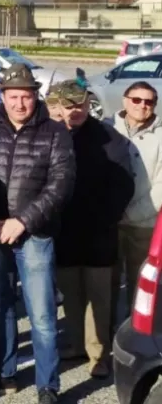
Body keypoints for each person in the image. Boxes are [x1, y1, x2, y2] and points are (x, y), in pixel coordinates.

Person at [0, 64, 75, 403]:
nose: (19, 104)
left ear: (35, 96)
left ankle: (48, 384)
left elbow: (61, 185)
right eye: (13, 97)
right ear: (3, 96)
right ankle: (5, 373)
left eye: (25, 97)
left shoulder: (56, 132)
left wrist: (23, 221)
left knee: (41, 314)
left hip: (35, 236)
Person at [53, 80, 133, 379]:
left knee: (99, 298)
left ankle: (98, 354)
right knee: (71, 295)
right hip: (65, 232)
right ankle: (76, 344)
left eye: (80, 105)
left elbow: (123, 182)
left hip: (99, 232)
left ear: (89, 105)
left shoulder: (108, 136)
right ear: (59, 106)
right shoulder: (54, 135)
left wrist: (106, 218)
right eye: (69, 105)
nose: (75, 111)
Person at [108, 81, 162, 313]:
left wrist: (133, 212)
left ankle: (137, 341)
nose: (142, 105)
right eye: (136, 100)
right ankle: (101, 343)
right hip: (109, 222)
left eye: (149, 101)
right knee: (106, 287)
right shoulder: (107, 127)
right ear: (125, 100)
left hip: (144, 224)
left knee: (141, 287)